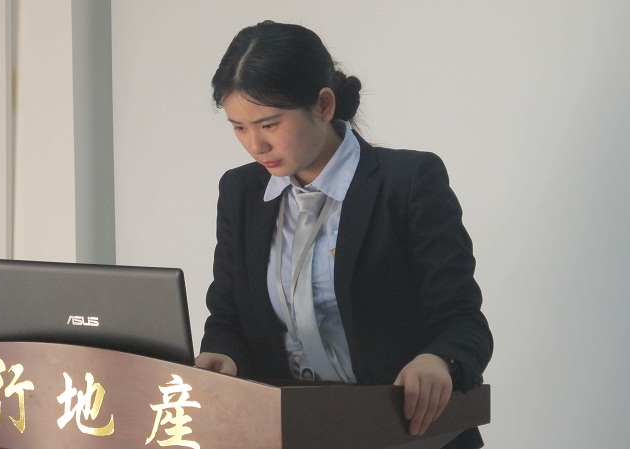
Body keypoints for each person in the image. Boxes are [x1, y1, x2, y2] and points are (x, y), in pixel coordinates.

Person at [195, 20, 493, 449]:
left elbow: (463, 321)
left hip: (403, 433)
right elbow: (227, 316)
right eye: (239, 127)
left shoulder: (408, 182)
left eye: (269, 124)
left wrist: (439, 360)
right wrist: (222, 353)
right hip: (293, 432)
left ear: (323, 104)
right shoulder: (241, 191)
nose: (255, 145)